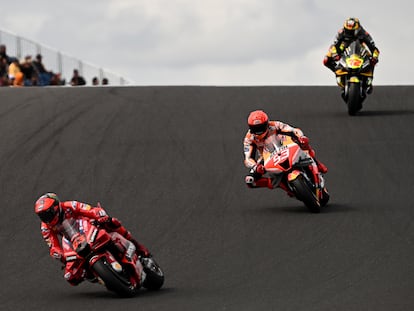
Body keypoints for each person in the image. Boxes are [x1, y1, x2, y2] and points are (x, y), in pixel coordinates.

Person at [34, 192, 152, 286]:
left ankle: (137, 246)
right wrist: (61, 256)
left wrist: (100, 216)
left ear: (56, 207)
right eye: (42, 216)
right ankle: (98, 277)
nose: (46, 218)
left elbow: (89, 210)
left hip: (87, 225)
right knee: (71, 276)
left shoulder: (70, 206)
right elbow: (53, 246)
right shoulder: (45, 227)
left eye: (47, 213)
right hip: (74, 242)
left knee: (112, 223)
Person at [243, 110, 328, 191]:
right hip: (267, 157)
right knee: (250, 180)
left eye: (261, 127)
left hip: (286, 146)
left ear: (267, 123)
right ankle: (280, 184)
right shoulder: (249, 139)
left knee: (303, 143)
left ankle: (317, 163)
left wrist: (301, 137)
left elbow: (294, 130)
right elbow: (248, 159)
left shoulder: (275, 125)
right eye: (255, 128)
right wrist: (255, 166)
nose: (259, 131)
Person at [323, 17, 380, 94]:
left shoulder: (364, 34)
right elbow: (334, 46)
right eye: (347, 30)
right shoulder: (341, 32)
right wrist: (335, 54)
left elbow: (374, 48)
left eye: (350, 31)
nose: (348, 33)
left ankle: (369, 78)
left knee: (371, 59)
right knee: (326, 60)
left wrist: (375, 57)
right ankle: (338, 71)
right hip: (344, 47)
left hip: (360, 48)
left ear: (357, 30)